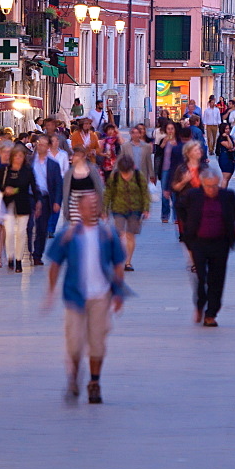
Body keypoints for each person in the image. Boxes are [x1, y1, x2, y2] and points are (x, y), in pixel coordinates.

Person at [46, 191, 127, 404]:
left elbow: (119, 264)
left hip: (101, 296)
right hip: (75, 296)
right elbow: (54, 264)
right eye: (87, 205)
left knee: (97, 342)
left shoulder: (108, 234)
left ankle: (94, 382)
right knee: (73, 344)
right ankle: (73, 376)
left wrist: (118, 293)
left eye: (95, 205)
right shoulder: (68, 234)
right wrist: (51, 291)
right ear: (79, 210)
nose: (91, 209)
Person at [179, 170, 235, 326]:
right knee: (201, 277)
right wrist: (187, 227)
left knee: (217, 279)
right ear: (202, 184)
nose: (212, 189)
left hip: (221, 243)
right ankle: (200, 304)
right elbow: (180, 207)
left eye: (214, 185)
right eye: (208, 186)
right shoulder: (193, 195)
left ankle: (211, 313)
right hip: (198, 243)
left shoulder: (227, 196)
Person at [103, 155, 151, 272]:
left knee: (130, 235)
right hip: (118, 208)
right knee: (120, 234)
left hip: (135, 209)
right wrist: (104, 210)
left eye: (127, 172)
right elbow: (108, 193)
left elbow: (145, 192)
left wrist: (146, 208)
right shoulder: (114, 176)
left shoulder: (138, 176)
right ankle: (119, 259)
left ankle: (128, 262)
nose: (125, 175)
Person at [0, 145, 39, 273]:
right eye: (16, 156)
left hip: (23, 203)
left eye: (21, 156)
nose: (18, 158)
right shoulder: (5, 171)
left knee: (21, 233)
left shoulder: (27, 171)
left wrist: (38, 201)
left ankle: (19, 260)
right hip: (8, 204)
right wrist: (5, 190)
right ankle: (10, 256)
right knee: (9, 232)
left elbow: (34, 187)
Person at [30, 135, 63, 266]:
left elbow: (58, 184)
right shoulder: (29, 161)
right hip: (30, 196)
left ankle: (37, 255)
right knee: (27, 227)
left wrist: (57, 201)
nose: (40, 146)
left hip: (44, 198)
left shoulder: (53, 165)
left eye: (43, 144)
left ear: (48, 147)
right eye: (38, 143)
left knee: (41, 228)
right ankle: (27, 250)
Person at [62, 146, 105, 224]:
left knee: (90, 229)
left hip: (91, 206)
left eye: (75, 155)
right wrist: (66, 210)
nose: (72, 157)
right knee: (77, 231)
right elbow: (66, 193)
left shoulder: (92, 170)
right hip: (74, 206)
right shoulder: (69, 173)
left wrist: (101, 208)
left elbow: (99, 188)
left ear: (82, 157)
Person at [155, 121, 182, 221]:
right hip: (165, 169)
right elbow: (157, 154)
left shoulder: (179, 141)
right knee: (164, 193)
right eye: (168, 129)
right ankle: (165, 215)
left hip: (176, 170)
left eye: (172, 129)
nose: (170, 131)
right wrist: (163, 144)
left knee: (175, 194)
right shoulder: (163, 140)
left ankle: (176, 217)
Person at [215, 122, 235, 189]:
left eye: (228, 128)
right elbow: (230, 146)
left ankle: (224, 191)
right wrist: (227, 137)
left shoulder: (230, 137)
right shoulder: (222, 138)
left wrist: (233, 149)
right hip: (225, 157)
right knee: (225, 177)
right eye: (226, 129)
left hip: (230, 157)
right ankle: (222, 193)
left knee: (228, 177)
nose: (228, 130)